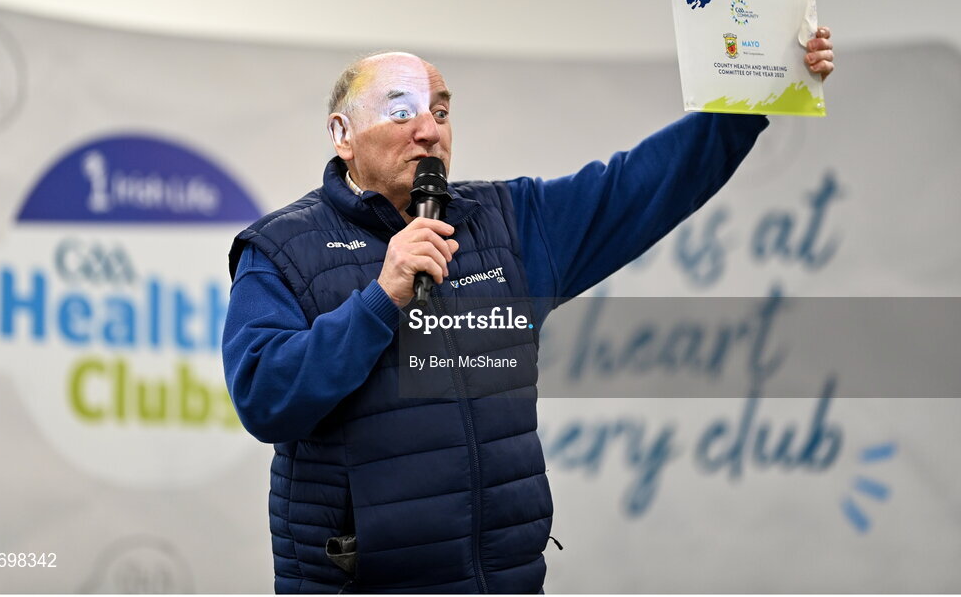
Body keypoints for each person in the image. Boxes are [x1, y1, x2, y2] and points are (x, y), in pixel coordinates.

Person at [222, 30, 835, 594]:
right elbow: (264, 397)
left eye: (439, 111)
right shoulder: (279, 250)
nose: (430, 130)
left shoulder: (506, 224)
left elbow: (645, 185)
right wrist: (381, 299)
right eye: (402, 110)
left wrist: (757, 91)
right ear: (342, 134)